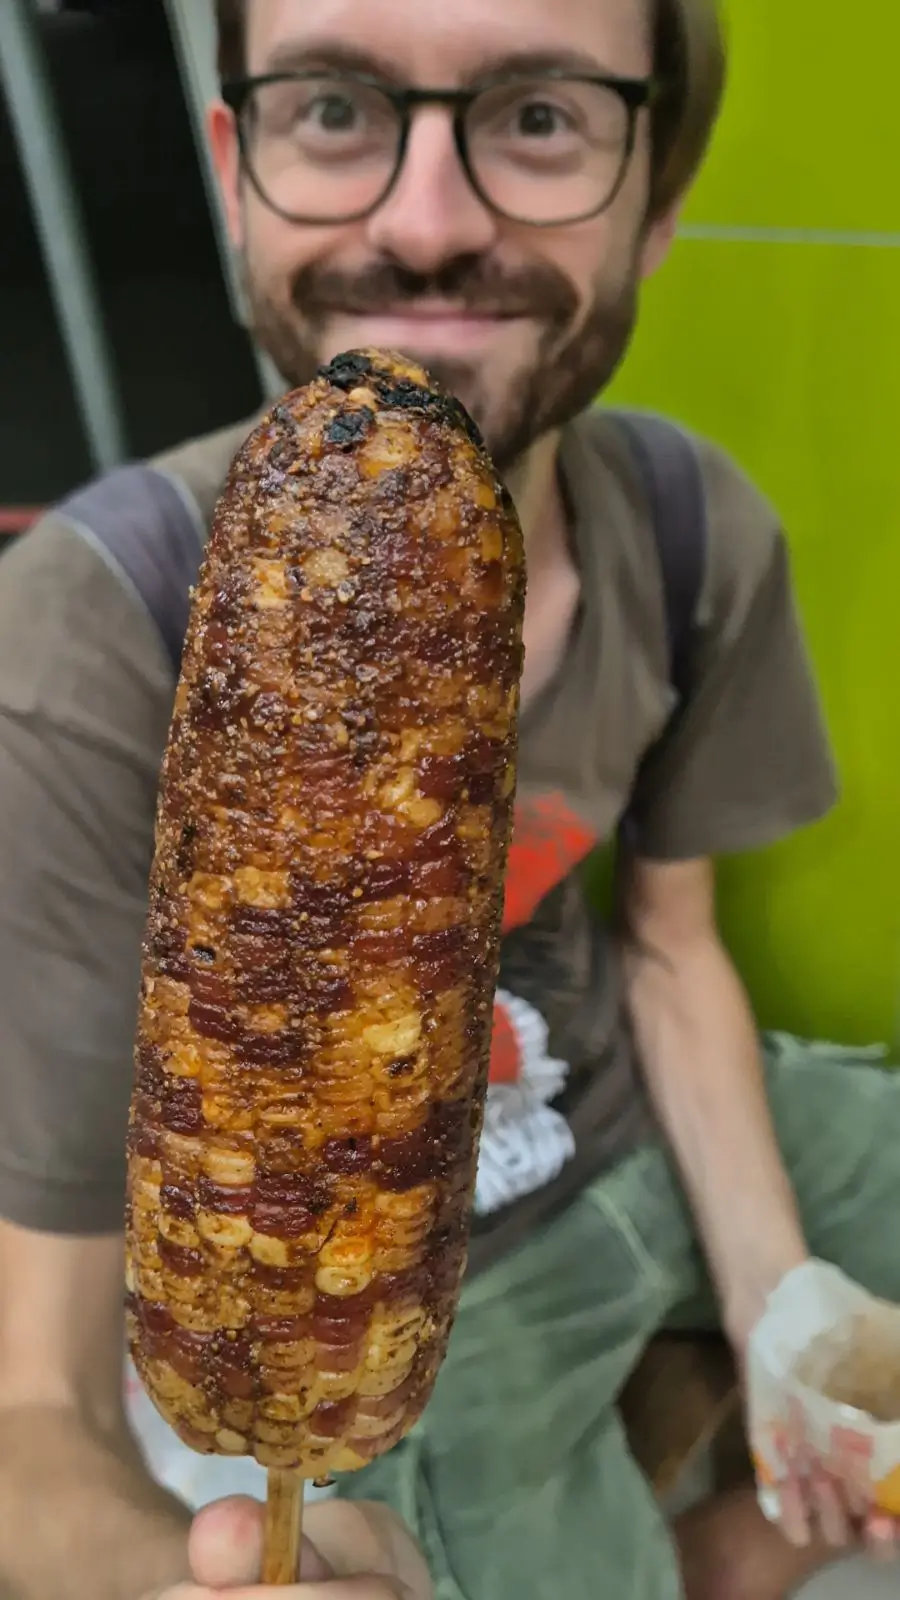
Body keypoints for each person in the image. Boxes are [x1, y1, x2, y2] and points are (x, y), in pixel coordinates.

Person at [0, 0, 897, 1596]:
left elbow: (675, 952)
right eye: (336, 108)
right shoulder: (89, 631)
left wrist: (781, 1298)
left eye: (540, 115)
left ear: (662, 189)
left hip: (631, 1108)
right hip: (415, 1305)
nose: (427, 222)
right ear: (234, 167)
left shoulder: (694, 527)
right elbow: (34, 1400)